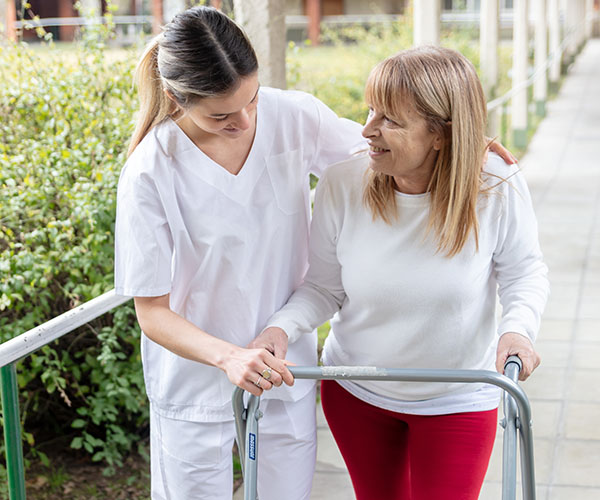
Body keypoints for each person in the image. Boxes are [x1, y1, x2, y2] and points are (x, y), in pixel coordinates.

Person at [257, 46, 549, 500]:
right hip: (358, 393)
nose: (368, 130)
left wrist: (518, 330)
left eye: (391, 120)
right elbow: (323, 287)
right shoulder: (342, 184)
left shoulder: (494, 185)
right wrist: (282, 327)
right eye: (371, 109)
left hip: (458, 395)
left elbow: (524, 270)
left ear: (441, 135)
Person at [113, 6, 367, 499]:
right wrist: (229, 357)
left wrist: (462, 147)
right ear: (175, 98)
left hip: (283, 367)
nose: (245, 120)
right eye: (221, 115)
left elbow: (383, 157)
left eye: (251, 99)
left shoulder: (295, 117)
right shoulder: (150, 171)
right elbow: (152, 313)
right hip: (191, 383)